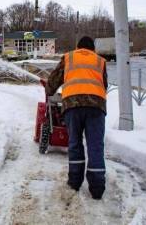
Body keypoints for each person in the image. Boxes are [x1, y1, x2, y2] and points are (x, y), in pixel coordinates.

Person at [45, 36, 108, 200]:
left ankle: (74, 181)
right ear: (92, 49)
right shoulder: (100, 61)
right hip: (96, 106)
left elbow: (54, 79)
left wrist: (49, 92)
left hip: (72, 104)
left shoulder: (68, 57)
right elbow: (104, 85)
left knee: (74, 143)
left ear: (78, 47)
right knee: (95, 145)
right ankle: (97, 188)